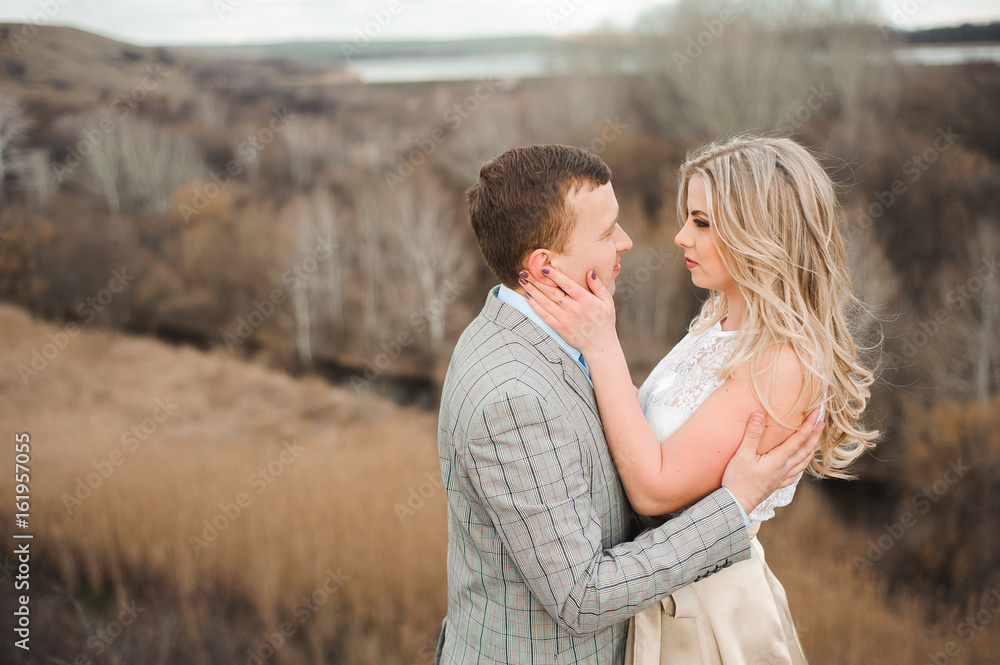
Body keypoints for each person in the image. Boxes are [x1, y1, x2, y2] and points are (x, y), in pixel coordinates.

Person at [436, 143, 825, 665]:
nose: (629, 241)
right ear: (544, 267)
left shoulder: (525, 334)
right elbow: (582, 594)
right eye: (606, 232)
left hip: (704, 620)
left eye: (701, 221)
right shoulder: (515, 395)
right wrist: (734, 504)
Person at [520, 136, 878, 664]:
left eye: (702, 222)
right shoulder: (720, 318)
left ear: (761, 231)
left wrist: (601, 345)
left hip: (708, 616)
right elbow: (653, 424)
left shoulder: (782, 362)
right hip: (665, 588)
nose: (681, 236)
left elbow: (655, 488)